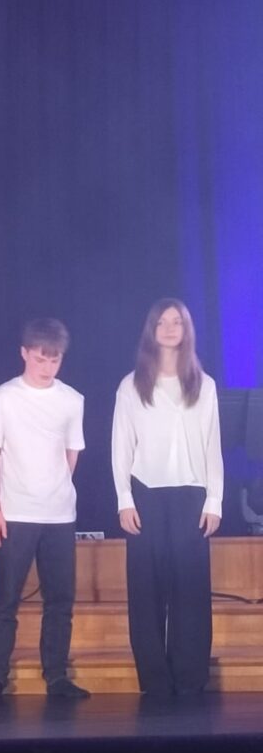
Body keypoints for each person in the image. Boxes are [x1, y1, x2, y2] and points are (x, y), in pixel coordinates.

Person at [111, 298, 223, 696]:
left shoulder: (204, 385)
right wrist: (124, 498)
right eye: (162, 322)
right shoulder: (131, 385)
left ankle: (190, 677)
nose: (170, 328)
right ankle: (155, 679)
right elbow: (121, 445)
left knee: (190, 589)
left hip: (192, 494)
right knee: (147, 591)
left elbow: (212, 446)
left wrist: (215, 500)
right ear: (152, 330)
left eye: (177, 321)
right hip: (146, 493)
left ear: (187, 329)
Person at [0, 318, 89, 700]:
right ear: (24, 353)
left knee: (60, 601)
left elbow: (72, 453)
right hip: (14, 513)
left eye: (54, 360)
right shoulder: (2, 398)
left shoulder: (72, 400)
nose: (47, 367)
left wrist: (56, 487)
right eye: (41, 359)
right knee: (5, 599)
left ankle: (56, 675)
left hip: (59, 515)